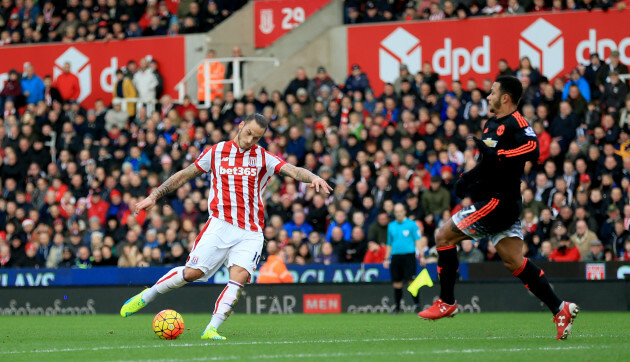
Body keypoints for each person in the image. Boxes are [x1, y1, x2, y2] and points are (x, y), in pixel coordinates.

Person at [119, 113, 332, 340]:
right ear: (240, 126)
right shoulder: (216, 152)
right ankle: (148, 295)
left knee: (238, 278)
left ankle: (212, 328)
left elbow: (293, 170)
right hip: (220, 225)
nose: (251, 140)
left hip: (251, 231)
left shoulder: (262, 157)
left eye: (257, 137)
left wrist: (313, 178)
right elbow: (184, 175)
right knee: (192, 273)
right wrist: (154, 196)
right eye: (249, 133)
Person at [417, 75, 579, 341]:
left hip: (499, 203)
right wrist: (468, 178)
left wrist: (501, 154)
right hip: (500, 201)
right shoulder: (491, 124)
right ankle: (559, 308)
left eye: (492, 93)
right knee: (513, 261)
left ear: (505, 97)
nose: (488, 96)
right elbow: (488, 161)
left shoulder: (518, 123)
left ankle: (446, 301)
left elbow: (533, 148)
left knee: (443, 236)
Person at [384, 203, 421, 314]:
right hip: (395, 256)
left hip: (409, 256)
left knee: (411, 281)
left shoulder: (412, 224)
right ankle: (397, 308)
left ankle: (418, 306)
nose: (398, 213)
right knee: (397, 282)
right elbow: (389, 243)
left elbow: (418, 240)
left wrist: (423, 256)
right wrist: (386, 258)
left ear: (404, 211)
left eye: (400, 211)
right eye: (396, 211)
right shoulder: (391, 226)